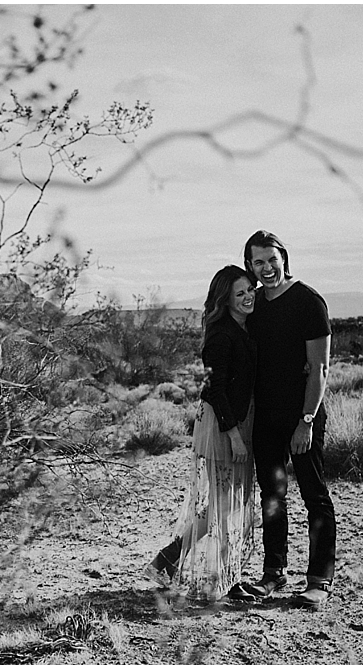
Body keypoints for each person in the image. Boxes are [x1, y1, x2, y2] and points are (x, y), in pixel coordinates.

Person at [233, 230, 336, 609]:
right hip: (266, 417)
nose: (266, 268)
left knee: (314, 495)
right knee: (272, 496)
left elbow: (320, 369)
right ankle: (273, 575)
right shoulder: (255, 303)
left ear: (283, 257)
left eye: (271, 259)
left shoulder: (308, 301)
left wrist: (306, 421)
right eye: (258, 262)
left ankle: (319, 581)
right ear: (250, 266)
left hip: (302, 416)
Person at [144, 265, 258, 602]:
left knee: (227, 508)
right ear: (226, 299)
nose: (249, 296)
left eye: (250, 289)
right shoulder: (222, 335)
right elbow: (214, 389)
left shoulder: (244, 328)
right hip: (224, 427)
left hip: (239, 424)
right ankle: (220, 580)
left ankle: (170, 563)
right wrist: (234, 435)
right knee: (224, 509)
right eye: (240, 293)